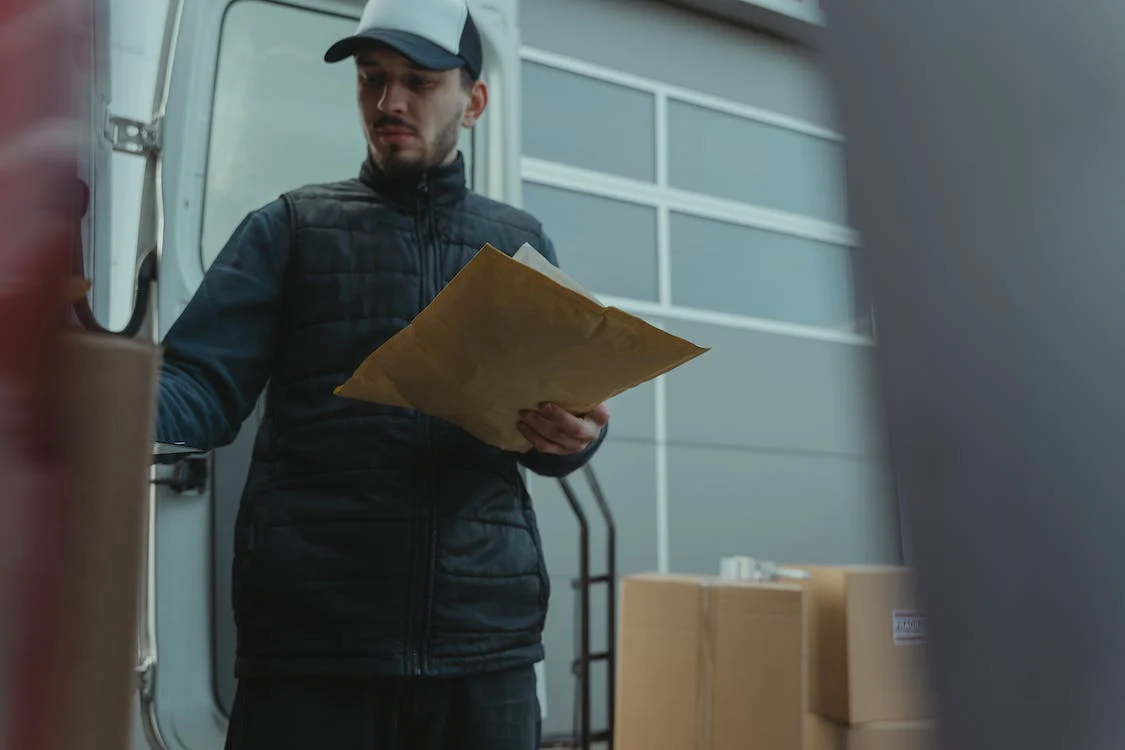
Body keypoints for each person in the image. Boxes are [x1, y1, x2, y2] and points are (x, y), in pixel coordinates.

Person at [156, 0, 610, 746]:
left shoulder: (518, 245)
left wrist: (575, 435)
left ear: (474, 101)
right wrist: (100, 404)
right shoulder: (289, 229)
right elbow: (200, 387)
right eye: (372, 80)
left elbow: (548, 423)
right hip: (315, 646)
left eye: (418, 81)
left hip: (482, 647)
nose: (388, 102)